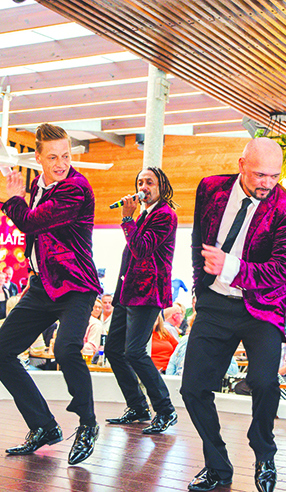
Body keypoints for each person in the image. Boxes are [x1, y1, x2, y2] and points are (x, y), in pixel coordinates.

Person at [181, 137, 286, 492]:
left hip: (262, 307)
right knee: (193, 388)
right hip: (215, 303)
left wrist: (230, 266)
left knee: (264, 382)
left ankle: (264, 452)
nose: (267, 183)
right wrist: (201, 287)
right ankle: (217, 465)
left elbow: (279, 271)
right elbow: (198, 240)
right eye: (259, 174)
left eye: (274, 176)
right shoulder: (209, 189)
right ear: (241, 165)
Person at [0, 123, 102, 465]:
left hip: (76, 284)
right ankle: (43, 426)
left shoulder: (76, 189)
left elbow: (32, 223)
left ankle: (88, 424)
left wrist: (13, 198)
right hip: (42, 286)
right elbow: (37, 236)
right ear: (38, 157)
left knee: (66, 349)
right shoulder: (38, 185)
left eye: (66, 156)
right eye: (52, 157)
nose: (61, 163)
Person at [104, 167, 179, 435]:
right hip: (127, 292)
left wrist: (127, 219)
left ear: (161, 187)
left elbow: (141, 249)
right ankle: (137, 406)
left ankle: (166, 410)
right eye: (139, 182)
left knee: (135, 351)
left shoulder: (165, 215)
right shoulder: (145, 215)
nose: (143, 187)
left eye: (149, 182)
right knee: (114, 349)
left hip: (147, 293)